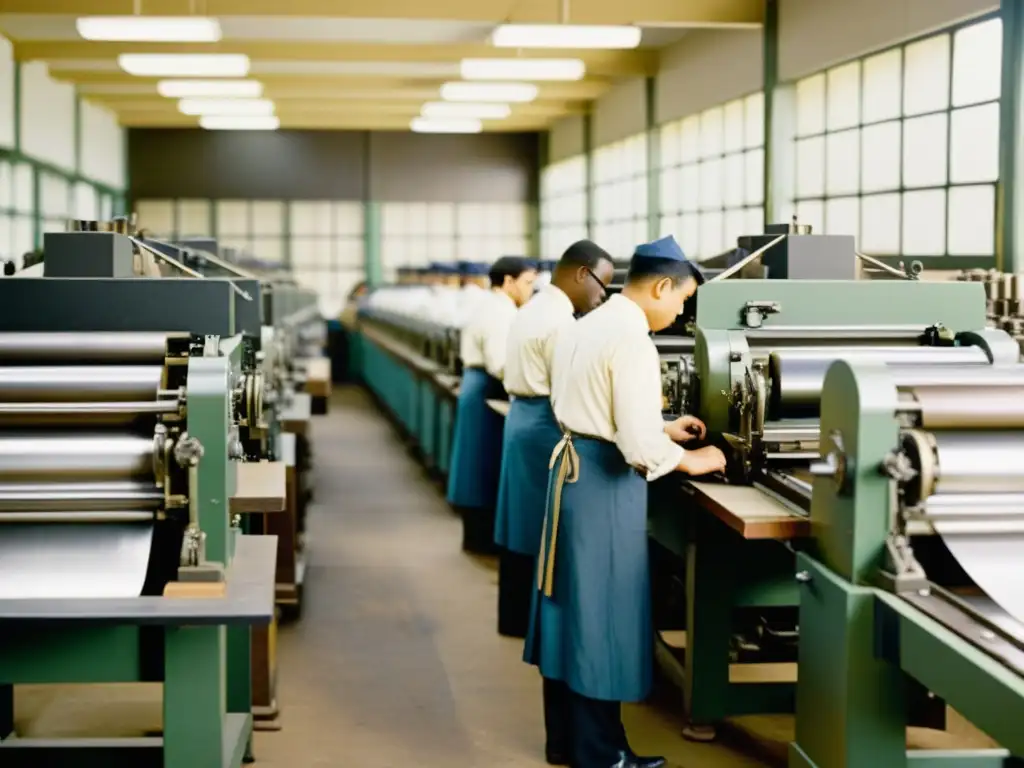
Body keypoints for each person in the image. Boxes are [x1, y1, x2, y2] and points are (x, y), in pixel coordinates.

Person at [524, 235, 727, 768]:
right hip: (603, 486)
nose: (681, 310)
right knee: (602, 616)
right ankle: (605, 754)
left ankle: (564, 741)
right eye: (682, 299)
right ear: (662, 286)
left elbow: (597, 408)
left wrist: (662, 426)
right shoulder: (633, 340)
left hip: (572, 472)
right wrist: (692, 459)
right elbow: (636, 447)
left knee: (568, 609)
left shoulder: (584, 324)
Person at [494, 241, 615, 640]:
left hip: (522, 419)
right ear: (582, 274)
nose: (602, 296)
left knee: (520, 524)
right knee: (540, 528)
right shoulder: (562, 323)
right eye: (602, 285)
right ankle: (534, 625)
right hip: (545, 424)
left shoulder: (532, 309)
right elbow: (569, 392)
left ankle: (513, 617)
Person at [446, 256, 538, 553]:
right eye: (527, 283)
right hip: (487, 389)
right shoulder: (501, 313)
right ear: (508, 282)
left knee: (476, 463)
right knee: (481, 464)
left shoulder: (492, 306)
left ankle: (476, 534)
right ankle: (480, 538)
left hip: (478, 385)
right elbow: (501, 364)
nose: (530, 290)